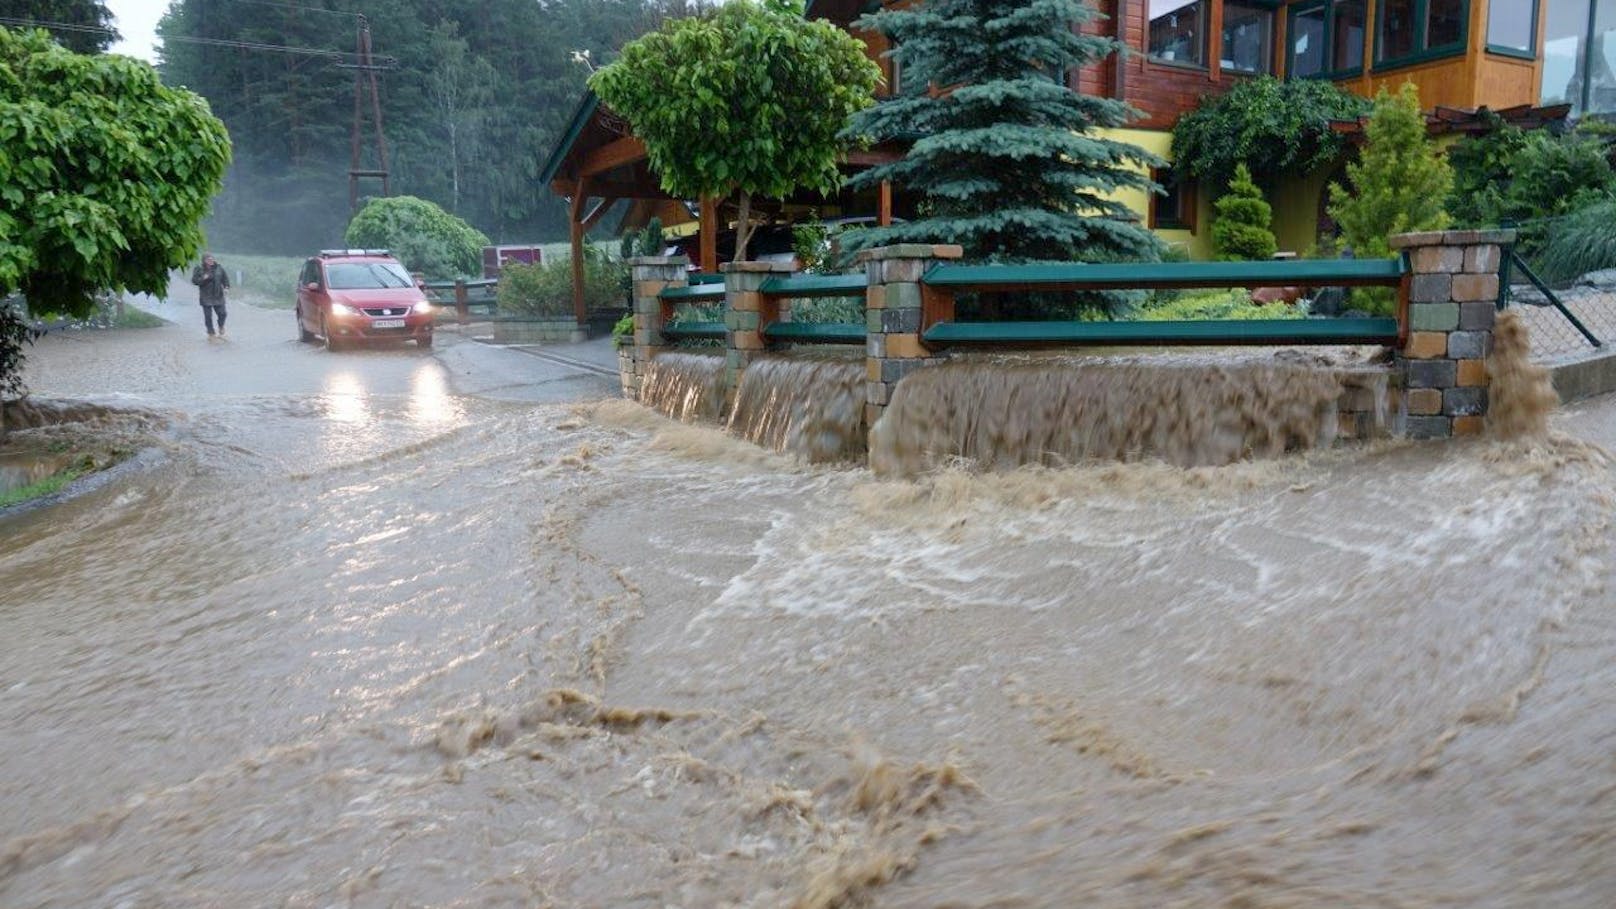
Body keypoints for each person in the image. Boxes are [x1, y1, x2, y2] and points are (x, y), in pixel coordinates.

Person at [190, 253, 230, 339]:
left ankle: (221, 326)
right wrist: (203, 278)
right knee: (208, 316)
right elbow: (194, 281)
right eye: (208, 260)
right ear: (204, 261)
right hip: (206, 296)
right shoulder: (199, 269)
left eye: (212, 259)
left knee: (223, 313)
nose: (211, 261)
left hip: (218, 295)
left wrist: (226, 287)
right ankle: (211, 332)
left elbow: (225, 279)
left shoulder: (219, 268)